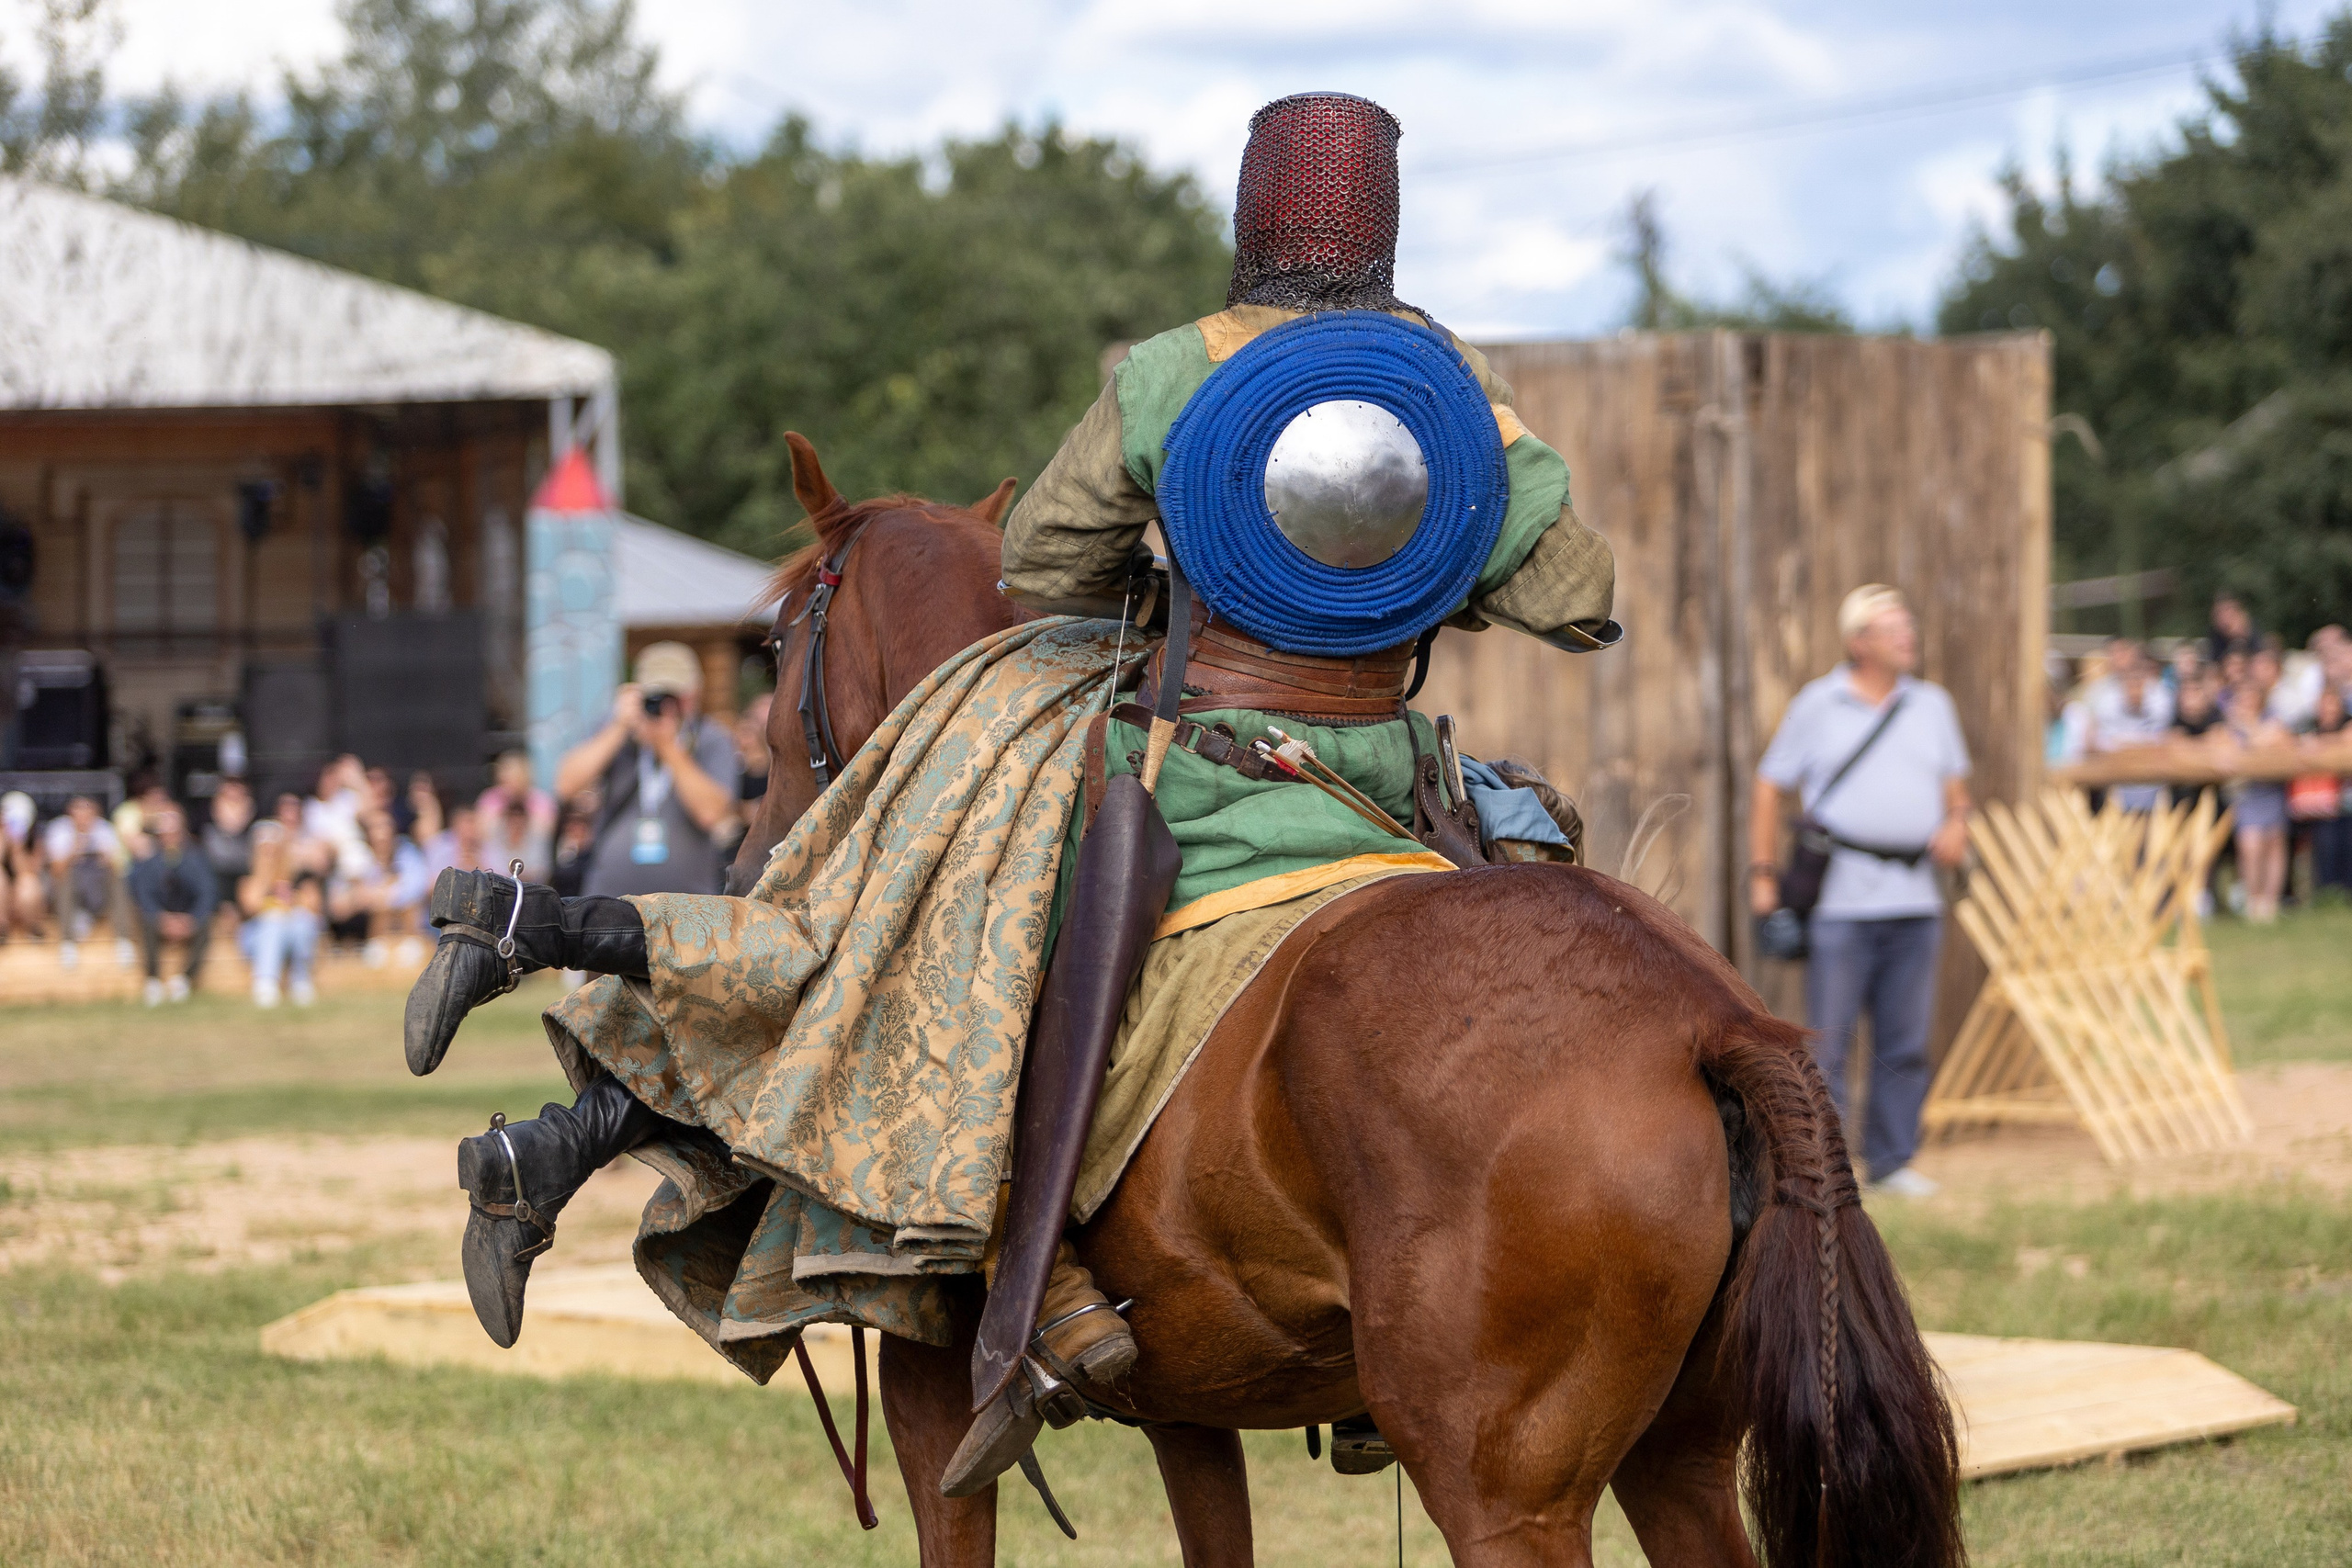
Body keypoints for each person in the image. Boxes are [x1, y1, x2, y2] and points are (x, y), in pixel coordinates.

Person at [404, 92, 1623, 1498]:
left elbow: (1042, 559)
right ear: (1385, 228)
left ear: (1253, 216)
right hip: (1397, 785)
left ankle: (1022, 1263)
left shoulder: (1181, 366)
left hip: (1197, 774)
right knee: (1541, 878)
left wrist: (1195, 548)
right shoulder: (1455, 385)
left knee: (962, 942)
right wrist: (1427, 559)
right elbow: (1579, 600)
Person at [1748, 584, 1971, 1201]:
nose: (1909, 635)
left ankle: (1894, 1161)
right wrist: (1764, 875)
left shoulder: (1933, 705)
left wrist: (1958, 823)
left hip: (1917, 899)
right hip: (1840, 904)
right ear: (1859, 641)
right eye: (1893, 627)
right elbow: (1769, 785)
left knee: (1906, 1042)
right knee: (1829, 1043)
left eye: (1908, 624)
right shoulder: (1818, 704)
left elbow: (1956, 792)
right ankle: (1826, 1167)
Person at [553, 642, 741, 897]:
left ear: (695, 693)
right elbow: (565, 785)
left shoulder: (711, 738)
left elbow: (711, 814)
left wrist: (668, 747)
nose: (666, 707)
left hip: (689, 902)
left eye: (675, 697)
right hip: (610, 898)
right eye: (657, 696)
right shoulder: (618, 731)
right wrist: (619, 726)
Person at [126, 804, 218, 1004]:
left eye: (173, 832)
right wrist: (162, 918)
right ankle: (153, 980)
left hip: (188, 916)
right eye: (165, 833)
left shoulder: (196, 858)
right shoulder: (150, 862)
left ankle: (184, 979)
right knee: (145, 921)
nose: (169, 837)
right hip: (160, 918)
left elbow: (207, 892)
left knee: (206, 924)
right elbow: (144, 894)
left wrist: (191, 919)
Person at [240, 793, 325, 1007]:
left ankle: (300, 980)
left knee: (303, 921)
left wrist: (292, 899)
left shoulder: (299, 876)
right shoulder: (248, 878)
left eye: (274, 849)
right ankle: (266, 982)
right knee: (273, 919)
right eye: (265, 849)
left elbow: (314, 906)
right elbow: (250, 905)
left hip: (293, 936)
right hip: (256, 938)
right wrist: (266, 877)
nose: (270, 854)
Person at [2221, 682, 2293, 922]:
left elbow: (2282, 742)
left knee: (2274, 843)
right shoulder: (2228, 727)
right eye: (2243, 699)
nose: (2248, 704)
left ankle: (2270, 903)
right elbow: (2226, 752)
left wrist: (2249, 731)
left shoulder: (2273, 721)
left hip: (2272, 790)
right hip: (2247, 794)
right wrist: (2258, 739)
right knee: (2250, 846)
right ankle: (2253, 900)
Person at [43, 794, 133, 969]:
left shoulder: (104, 829)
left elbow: (120, 867)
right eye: (79, 810)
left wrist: (106, 858)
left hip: (97, 890)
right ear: (70, 812)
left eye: (87, 810)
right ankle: (68, 944)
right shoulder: (59, 829)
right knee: (67, 877)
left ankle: (124, 941)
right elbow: (55, 872)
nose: (83, 816)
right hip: (68, 890)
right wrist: (75, 849)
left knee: (117, 879)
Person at [2084, 638, 2176, 811]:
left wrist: (2125, 746)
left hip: (2153, 790)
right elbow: (2094, 743)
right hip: (2116, 791)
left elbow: (2165, 740)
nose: (2134, 689)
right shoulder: (2104, 699)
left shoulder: (2161, 697)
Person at [475, 750, 555, 881]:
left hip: (532, 870)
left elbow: (543, 837)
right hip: (495, 871)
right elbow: (484, 836)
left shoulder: (542, 802)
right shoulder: (489, 800)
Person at [2305, 685, 2352, 896]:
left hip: (2346, 801)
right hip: (2321, 802)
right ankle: (2327, 893)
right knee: (2325, 846)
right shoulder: (2310, 728)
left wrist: (2321, 744)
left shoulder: (2347, 725)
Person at [0, 790, 45, 941]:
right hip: (4, 891)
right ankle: (2, 928)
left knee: (28, 882)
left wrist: (17, 848)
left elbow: (28, 871)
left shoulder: (35, 841)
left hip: (21, 892)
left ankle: (33, 928)